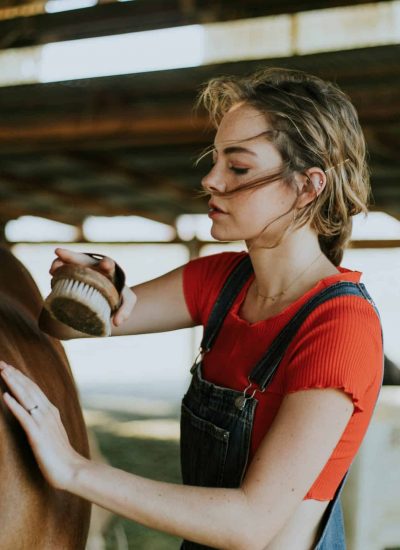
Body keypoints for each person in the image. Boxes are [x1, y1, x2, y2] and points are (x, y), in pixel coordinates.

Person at [0, 67, 383, 550]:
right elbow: (60, 328)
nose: (210, 180)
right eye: (215, 159)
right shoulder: (220, 281)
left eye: (238, 168)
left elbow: (249, 524)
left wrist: (75, 468)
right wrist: (93, 286)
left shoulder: (340, 328)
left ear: (309, 187)